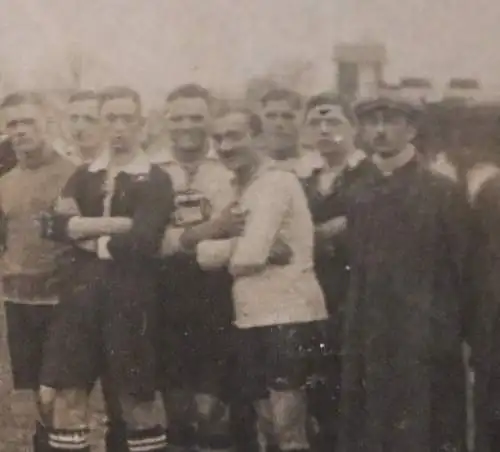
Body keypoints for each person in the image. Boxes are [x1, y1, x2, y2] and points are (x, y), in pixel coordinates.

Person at [39, 86, 174, 452]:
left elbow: (145, 238)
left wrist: (85, 231)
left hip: (131, 301)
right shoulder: (84, 175)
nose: (118, 127)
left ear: (141, 124)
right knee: (69, 393)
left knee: (137, 396)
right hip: (80, 301)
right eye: (110, 118)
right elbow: (53, 227)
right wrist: (119, 224)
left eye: (126, 118)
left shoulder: (156, 178)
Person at [338, 95, 470, 452]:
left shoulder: (441, 190)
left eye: (391, 121)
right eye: (372, 122)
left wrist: (450, 327)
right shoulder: (357, 192)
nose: (380, 131)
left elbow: (463, 268)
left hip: (423, 333)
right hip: (369, 332)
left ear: (411, 129)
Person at [197, 107, 328, 452]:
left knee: (290, 428)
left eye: (234, 136)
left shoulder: (277, 182)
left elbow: (248, 256)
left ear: (258, 138)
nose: (225, 146)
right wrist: (249, 249)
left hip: (289, 315)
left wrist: (236, 249)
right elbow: (203, 254)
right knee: (266, 424)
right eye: (218, 138)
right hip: (250, 316)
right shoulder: (230, 187)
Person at [39, 89, 127, 451]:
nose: (80, 127)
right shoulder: (67, 169)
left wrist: (80, 227)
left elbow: (138, 228)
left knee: (125, 398)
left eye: (89, 118)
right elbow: (52, 227)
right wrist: (100, 228)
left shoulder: (136, 169)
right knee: (60, 396)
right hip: (75, 294)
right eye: (73, 118)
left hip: (125, 294)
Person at [155, 83, 239, 452]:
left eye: (197, 117)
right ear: (165, 121)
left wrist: (185, 239)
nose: (187, 125)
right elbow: (148, 238)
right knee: (174, 402)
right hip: (164, 291)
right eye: (179, 118)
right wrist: (208, 231)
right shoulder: (150, 168)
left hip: (220, 290)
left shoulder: (231, 167)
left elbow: (243, 228)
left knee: (214, 405)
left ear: (211, 120)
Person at [298, 92, 376, 451]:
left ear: (354, 129)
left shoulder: (371, 174)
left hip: (358, 295)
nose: (325, 130)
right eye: (316, 123)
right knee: (317, 392)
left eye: (334, 123)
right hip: (311, 296)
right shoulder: (303, 178)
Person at [0, 91, 75, 452]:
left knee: (61, 400)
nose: (20, 130)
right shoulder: (6, 181)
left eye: (28, 121)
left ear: (47, 122)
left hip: (63, 302)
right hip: (17, 301)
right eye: (12, 123)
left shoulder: (73, 175)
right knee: (30, 405)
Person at [259, 88, 303, 173]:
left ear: (301, 121)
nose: (278, 124)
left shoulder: (314, 167)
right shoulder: (253, 167)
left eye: (287, 117)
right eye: (271, 116)